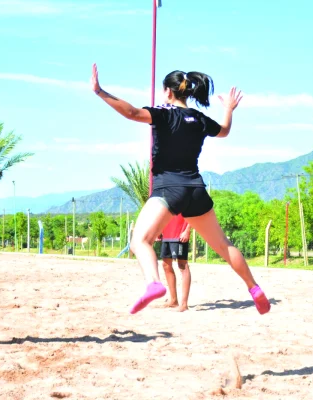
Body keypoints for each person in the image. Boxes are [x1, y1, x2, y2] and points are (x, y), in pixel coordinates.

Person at [90, 63, 270, 315]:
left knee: (140, 241)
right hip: (196, 189)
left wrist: (100, 91)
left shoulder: (164, 113)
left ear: (168, 92)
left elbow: (131, 112)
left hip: (169, 188)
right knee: (224, 246)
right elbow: (225, 131)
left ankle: (153, 283)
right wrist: (228, 109)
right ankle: (254, 288)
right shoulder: (199, 119)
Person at [160, 215, 192, 312]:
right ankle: (173, 301)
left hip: (180, 234)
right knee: (165, 265)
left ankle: (184, 304)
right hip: (166, 234)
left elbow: (195, 213)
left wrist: (187, 230)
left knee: (182, 266)